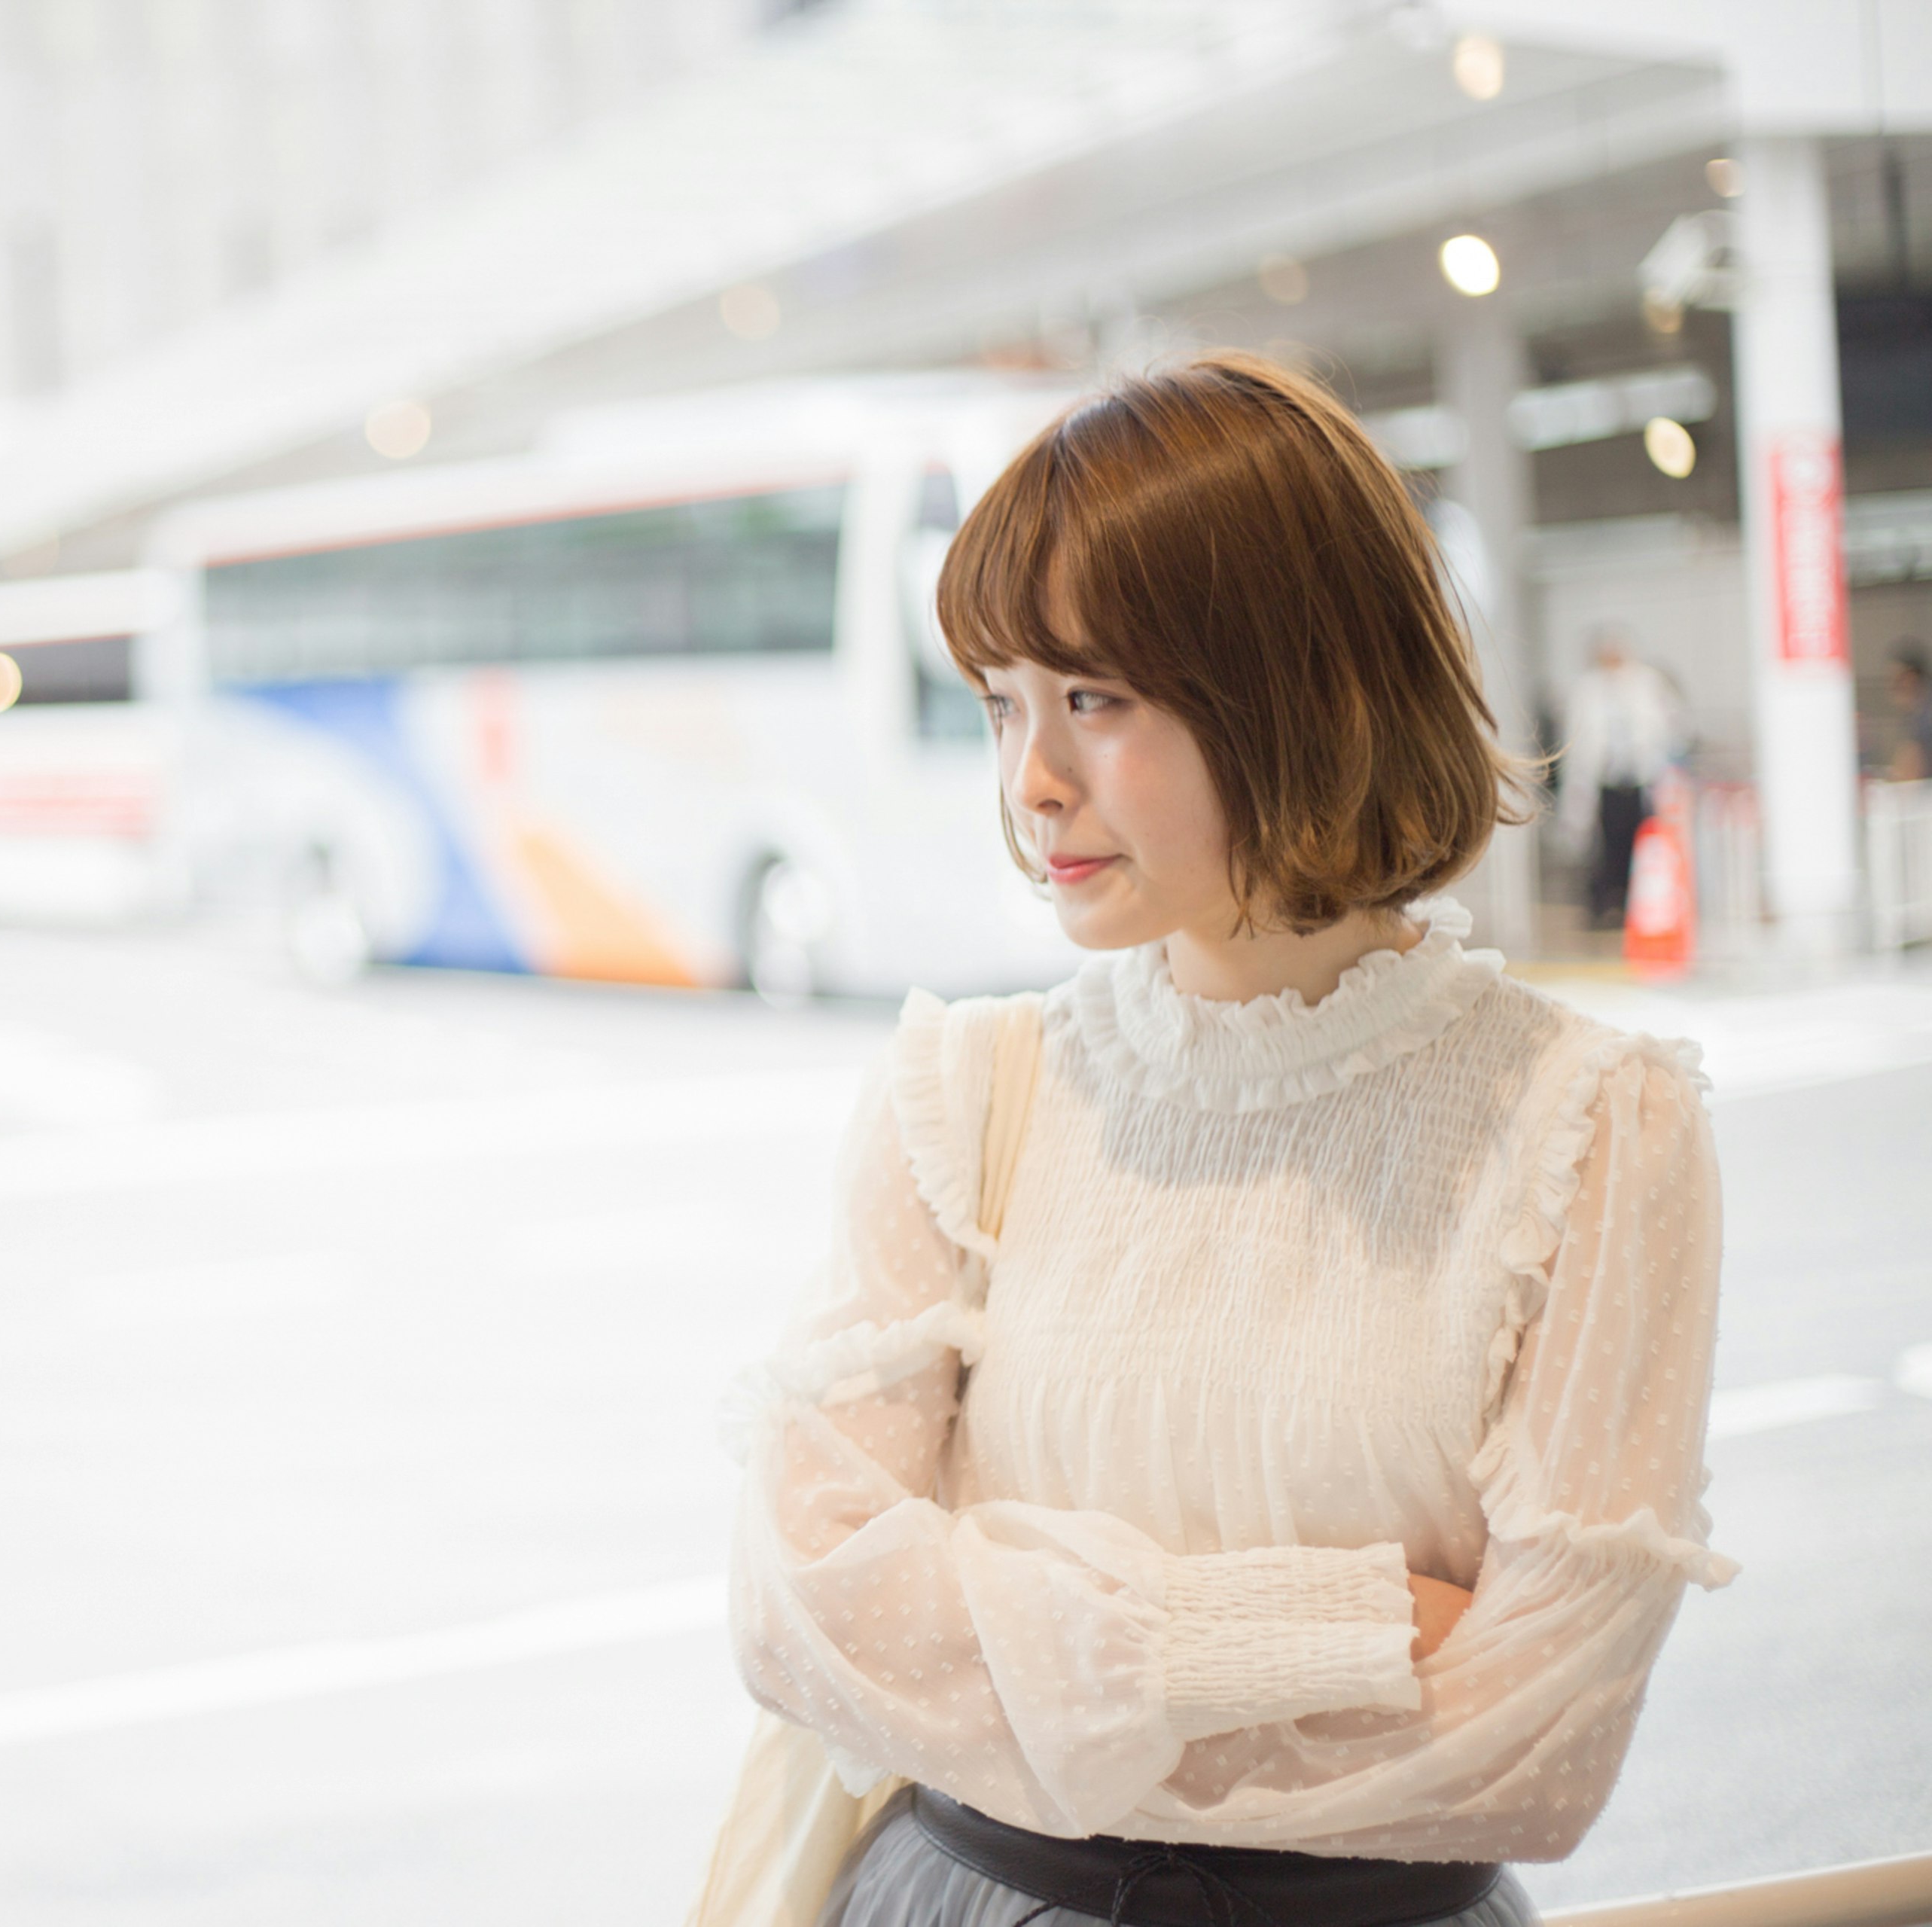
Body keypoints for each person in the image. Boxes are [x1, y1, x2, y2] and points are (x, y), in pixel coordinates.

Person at [723, 354, 1733, 1927]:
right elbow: (804, 1614)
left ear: (1305, 680)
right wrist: (1317, 1630)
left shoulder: (1593, 1125)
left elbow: (1538, 1751)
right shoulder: (967, 1090)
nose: (1032, 783)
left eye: (1096, 700)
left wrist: (1008, 1663)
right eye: (1003, 704)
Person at [1556, 630, 1687, 929]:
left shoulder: (1647, 684)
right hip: (1604, 783)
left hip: (1641, 781)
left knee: (1641, 845)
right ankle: (1602, 907)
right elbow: (1578, 742)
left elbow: (1670, 727)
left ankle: (1637, 905)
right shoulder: (1587, 690)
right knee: (1604, 849)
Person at [1889, 645, 1932, 782]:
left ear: (1910, 679)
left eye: (1896, 681)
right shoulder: (1917, 716)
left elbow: (1913, 764)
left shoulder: (1926, 716)